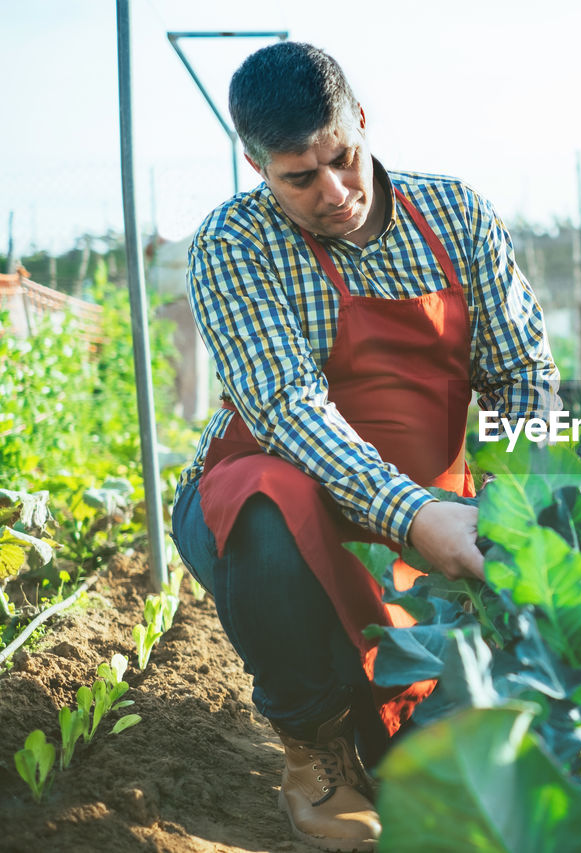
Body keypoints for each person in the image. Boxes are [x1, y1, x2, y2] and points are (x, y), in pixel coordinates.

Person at [169, 42, 558, 851]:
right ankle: (312, 740)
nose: (335, 191)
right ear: (255, 165)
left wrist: (512, 503)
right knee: (275, 499)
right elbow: (289, 409)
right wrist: (416, 516)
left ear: (362, 124)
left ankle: (378, 726)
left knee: (422, 757)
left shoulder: (455, 216)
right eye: (299, 178)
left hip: (424, 525)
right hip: (267, 511)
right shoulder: (234, 245)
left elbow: (524, 374)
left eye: (343, 158)